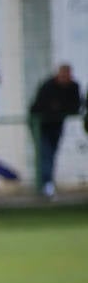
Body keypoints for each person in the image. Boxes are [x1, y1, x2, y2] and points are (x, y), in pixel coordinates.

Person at [28, 64, 83, 198]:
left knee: (52, 153)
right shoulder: (48, 86)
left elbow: (75, 106)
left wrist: (59, 108)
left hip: (57, 124)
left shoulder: (73, 87)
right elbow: (42, 106)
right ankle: (46, 184)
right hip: (40, 125)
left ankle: (47, 183)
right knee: (45, 153)